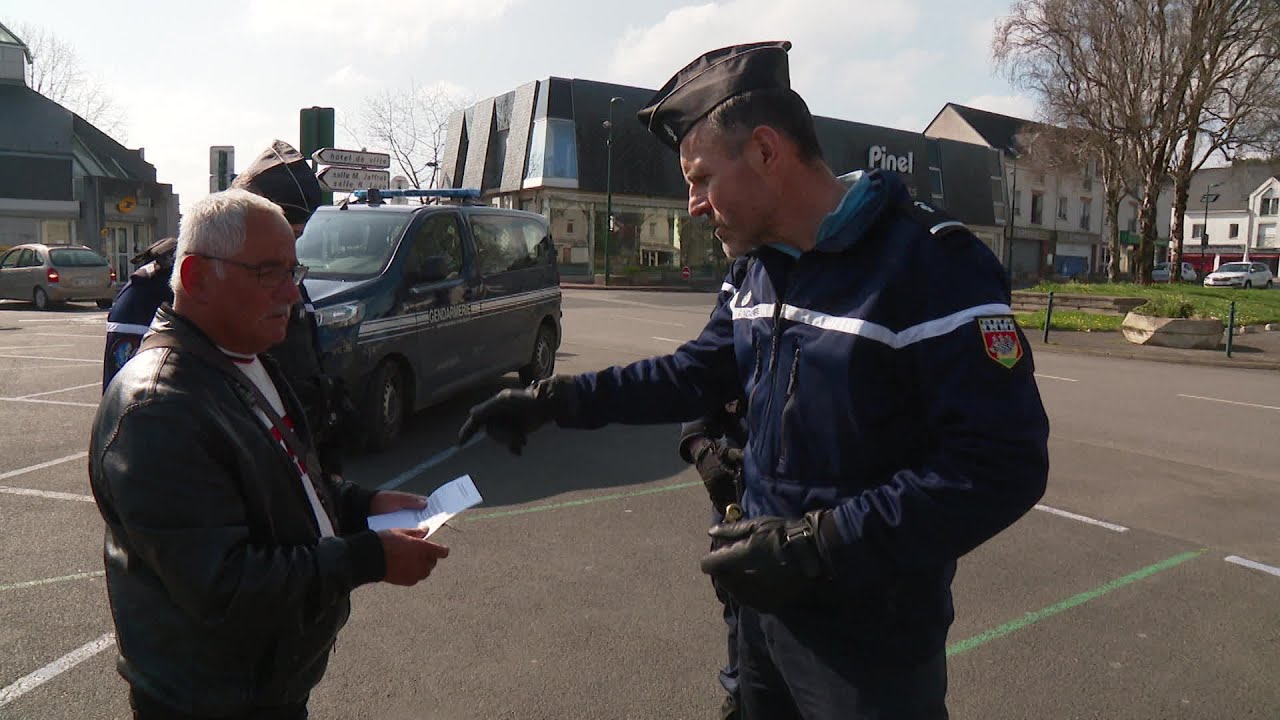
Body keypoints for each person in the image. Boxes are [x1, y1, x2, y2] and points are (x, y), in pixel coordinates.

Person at [458, 40, 1049, 719]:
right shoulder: (757, 267)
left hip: (868, 649)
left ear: (767, 152)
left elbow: (1002, 465)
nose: (693, 207)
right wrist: (554, 400)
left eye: (702, 178)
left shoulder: (929, 268)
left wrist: (817, 545)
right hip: (761, 613)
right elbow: (693, 374)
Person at [90, 189, 450, 720]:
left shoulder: (244, 358)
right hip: (208, 701)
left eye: (293, 271)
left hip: (261, 687)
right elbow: (225, 587)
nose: (291, 293)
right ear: (194, 277)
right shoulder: (158, 409)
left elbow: (282, 481)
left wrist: (360, 505)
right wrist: (368, 558)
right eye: (268, 273)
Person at [678, 254, 751, 720]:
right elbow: (709, 363)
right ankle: (741, 693)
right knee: (738, 596)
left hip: (817, 503)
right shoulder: (745, 271)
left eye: (706, 179)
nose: (696, 205)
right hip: (739, 476)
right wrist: (700, 440)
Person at [102, 237, 177, 390]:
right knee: (129, 387)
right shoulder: (170, 273)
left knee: (117, 385)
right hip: (135, 323)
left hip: (125, 318)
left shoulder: (152, 272)